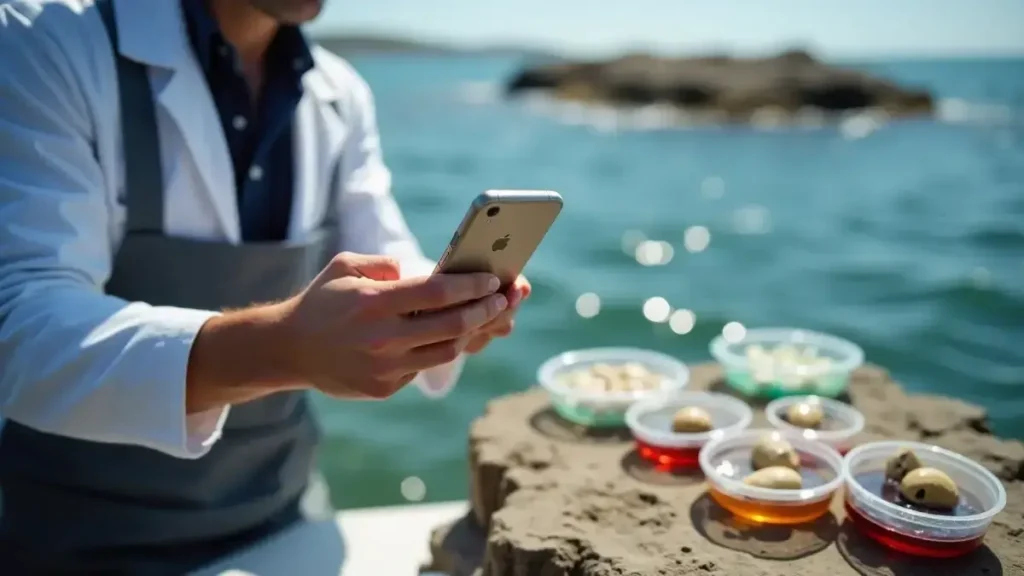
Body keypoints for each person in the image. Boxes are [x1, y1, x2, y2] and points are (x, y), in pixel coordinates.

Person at [0, 0, 531, 573]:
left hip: (286, 517)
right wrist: (283, 349)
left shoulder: (340, 92)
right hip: (75, 542)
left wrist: (445, 309)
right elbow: (19, 324)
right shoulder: (42, 39)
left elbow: (386, 252)